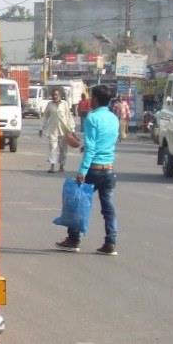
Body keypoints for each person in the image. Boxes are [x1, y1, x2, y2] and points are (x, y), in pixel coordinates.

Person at [57, 84, 119, 255]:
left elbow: (92, 147)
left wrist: (82, 171)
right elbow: (106, 142)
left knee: (77, 202)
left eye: (92, 97)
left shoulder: (92, 118)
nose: (90, 100)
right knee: (108, 207)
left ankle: (74, 239)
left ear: (96, 99)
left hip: (93, 169)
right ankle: (111, 241)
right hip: (108, 169)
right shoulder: (114, 118)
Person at [41, 88, 74, 173]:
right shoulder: (50, 105)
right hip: (52, 130)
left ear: (60, 96)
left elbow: (69, 117)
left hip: (64, 131)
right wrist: (42, 128)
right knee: (53, 148)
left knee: (63, 149)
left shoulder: (65, 104)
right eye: (53, 95)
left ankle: (61, 166)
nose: (55, 96)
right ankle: (52, 166)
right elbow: (45, 117)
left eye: (56, 95)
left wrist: (72, 129)